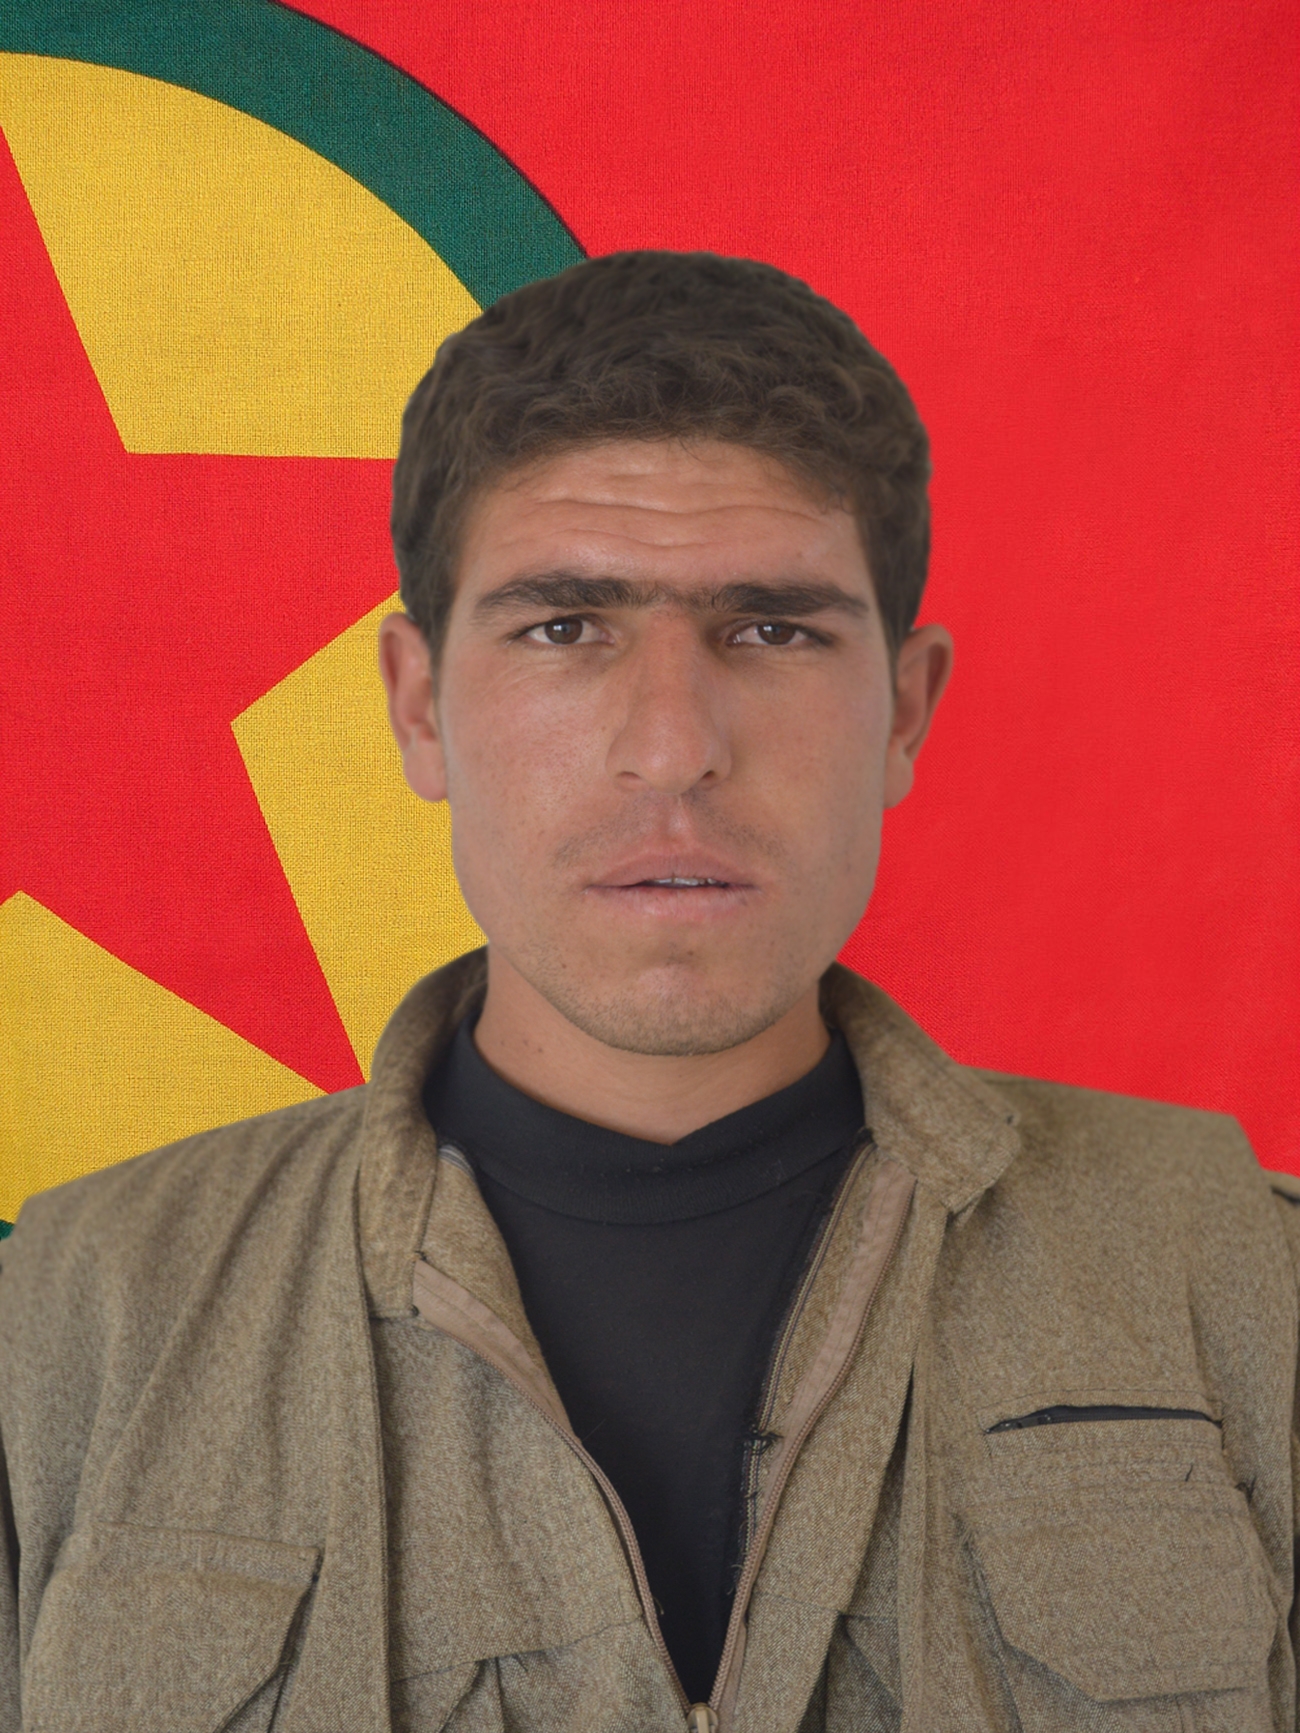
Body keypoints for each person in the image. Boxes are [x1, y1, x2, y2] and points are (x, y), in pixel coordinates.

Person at [0, 251, 1295, 1733]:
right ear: (420, 706)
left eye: (773, 629)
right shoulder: (71, 1325)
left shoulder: (1244, 1286)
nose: (674, 747)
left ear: (903, 708)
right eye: (565, 628)